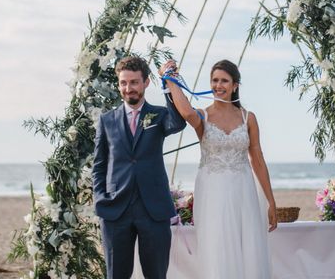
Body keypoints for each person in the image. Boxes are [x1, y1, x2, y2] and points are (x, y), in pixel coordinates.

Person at [159, 58, 277, 279]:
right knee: (217, 245)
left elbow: (258, 160)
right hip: (212, 191)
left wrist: (271, 201)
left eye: (224, 80)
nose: (218, 85)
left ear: (235, 86)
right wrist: (170, 78)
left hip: (243, 191)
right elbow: (185, 113)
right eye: (214, 80)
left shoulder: (248, 117)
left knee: (247, 246)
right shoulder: (202, 115)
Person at [92, 56, 186, 279]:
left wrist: (169, 82)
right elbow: (99, 165)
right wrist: (100, 198)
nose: (128, 88)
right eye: (124, 83)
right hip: (116, 210)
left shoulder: (160, 115)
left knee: (156, 275)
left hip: (153, 210)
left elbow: (178, 122)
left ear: (146, 83)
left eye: (134, 82)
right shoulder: (107, 120)